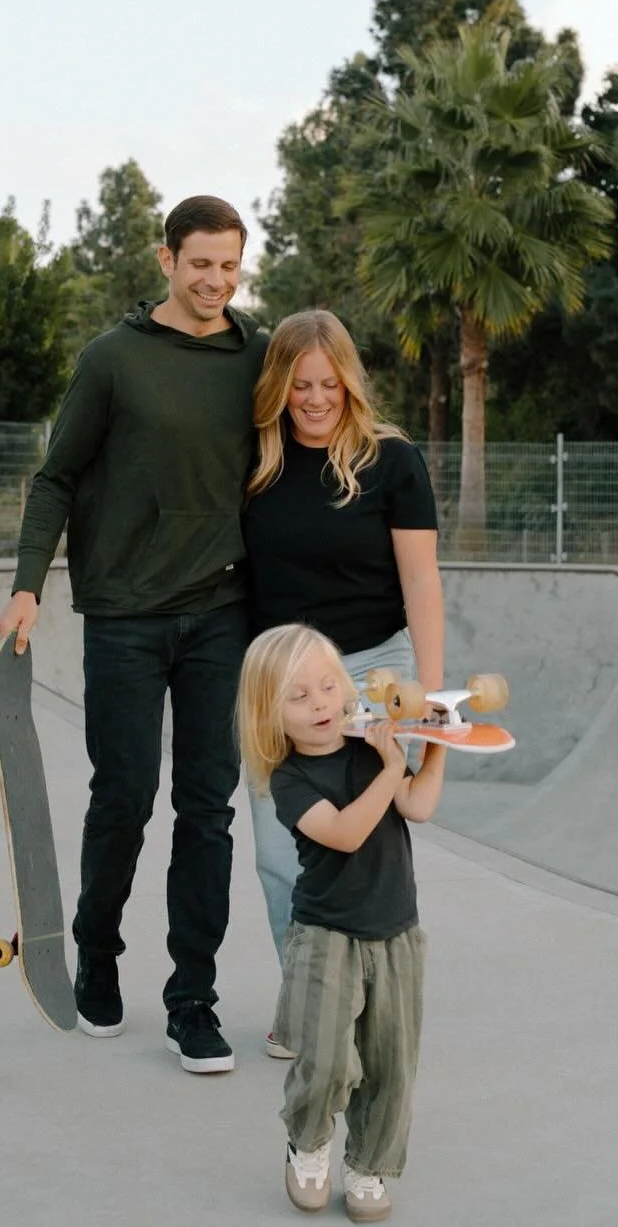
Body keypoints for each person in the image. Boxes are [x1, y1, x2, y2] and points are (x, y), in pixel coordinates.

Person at [0, 195, 267, 1074]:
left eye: (229, 265)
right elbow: (56, 479)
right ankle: (98, 957)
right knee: (123, 798)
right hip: (123, 616)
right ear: (166, 260)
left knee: (208, 809)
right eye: (200, 264)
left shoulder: (256, 357)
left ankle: (193, 998)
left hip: (222, 614)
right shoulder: (112, 360)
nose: (215, 280)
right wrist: (27, 587)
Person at [241, 310, 444, 1001]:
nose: (317, 398)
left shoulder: (392, 462)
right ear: (280, 386)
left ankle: (368, 995)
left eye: (329, 383)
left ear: (350, 383)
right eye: (301, 385)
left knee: (364, 848)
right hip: (278, 683)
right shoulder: (256, 462)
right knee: (277, 853)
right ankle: (307, 1001)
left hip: (370, 671)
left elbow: (421, 581)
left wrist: (433, 695)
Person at [237, 623, 444, 1222]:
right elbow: (348, 832)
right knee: (326, 1059)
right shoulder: (290, 779)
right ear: (267, 712)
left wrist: (436, 745)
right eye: (297, 696)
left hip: (396, 931)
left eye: (328, 686)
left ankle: (369, 1163)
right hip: (326, 934)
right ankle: (308, 1142)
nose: (320, 703)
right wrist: (389, 766)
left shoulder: (368, 746)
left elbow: (418, 806)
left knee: (390, 1065)